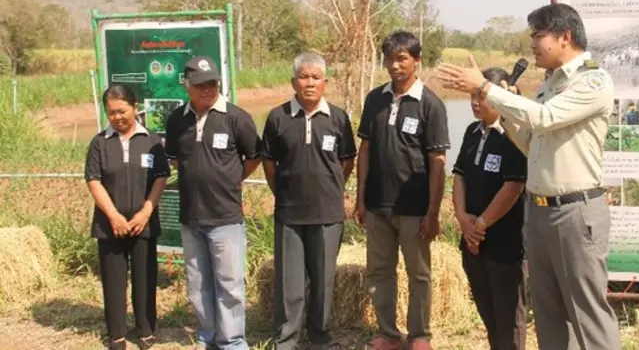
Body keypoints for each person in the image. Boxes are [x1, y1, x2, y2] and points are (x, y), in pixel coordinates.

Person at [435, 3, 622, 350]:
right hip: (538, 212)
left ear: (564, 37)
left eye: (538, 36)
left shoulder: (593, 80)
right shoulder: (550, 83)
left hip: (574, 212)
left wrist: (489, 90)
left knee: (587, 314)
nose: (532, 44)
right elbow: (531, 141)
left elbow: (544, 118)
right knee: (548, 312)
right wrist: (499, 109)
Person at [355, 30, 450, 350]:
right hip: (377, 205)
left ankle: (420, 334)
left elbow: (438, 161)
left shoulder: (430, 104)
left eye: (402, 58)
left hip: (415, 208)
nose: (395, 65)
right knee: (380, 272)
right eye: (390, 59)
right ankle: (389, 334)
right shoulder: (374, 99)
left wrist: (432, 212)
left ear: (416, 61)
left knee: (418, 274)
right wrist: (360, 199)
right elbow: (365, 150)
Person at [260, 53, 357, 350]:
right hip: (289, 213)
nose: (310, 83)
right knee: (289, 283)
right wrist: (285, 193)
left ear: (325, 83)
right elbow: (269, 163)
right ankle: (286, 339)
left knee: (324, 281)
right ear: (293, 82)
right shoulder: (278, 117)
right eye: (304, 77)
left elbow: (347, 161)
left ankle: (319, 336)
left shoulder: (338, 118)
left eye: (316, 77)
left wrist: (331, 189)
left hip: (328, 214)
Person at [164, 55, 262, 350]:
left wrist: (231, 180)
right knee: (197, 286)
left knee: (230, 285)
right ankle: (208, 338)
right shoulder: (176, 120)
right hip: (191, 218)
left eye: (212, 83)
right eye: (200, 84)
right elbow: (177, 160)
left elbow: (255, 156)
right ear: (187, 85)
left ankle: (232, 342)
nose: (208, 88)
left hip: (226, 217)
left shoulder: (236, 117)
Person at [84, 84, 170, 350]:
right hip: (110, 225)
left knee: (145, 278)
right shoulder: (100, 143)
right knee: (113, 280)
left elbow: (160, 177)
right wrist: (113, 216)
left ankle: (145, 330)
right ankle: (117, 334)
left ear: (135, 107)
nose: (117, 117)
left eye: (122, 111)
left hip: (143, 222)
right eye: (111, 113)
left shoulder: (151, 140)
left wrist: (146, 211)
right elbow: (94, 180)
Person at [452, 67, 528, 350]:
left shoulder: (514, 134)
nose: (474, 102)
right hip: (473, 241)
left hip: (504, 241)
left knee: (509, 316)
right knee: (487, 309)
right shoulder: (472, 131)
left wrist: (480, 225)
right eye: (472, 96)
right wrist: (462, 219)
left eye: (481, 96)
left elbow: (513, 186)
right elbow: (458, 174)